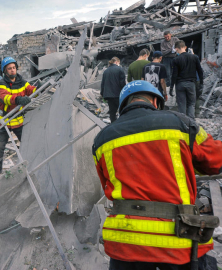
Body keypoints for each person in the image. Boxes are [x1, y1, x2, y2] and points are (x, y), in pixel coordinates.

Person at [92, 80, 222, 270]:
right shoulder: (180, 123)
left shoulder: (102, 139)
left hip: (124, 241)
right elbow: (214, 161)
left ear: (124, 106)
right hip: (177, 240)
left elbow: (106, 184)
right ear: (155, 102)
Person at [0, 57, 36, 179]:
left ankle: (31, 166)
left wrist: (38, 88)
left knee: (27, 143)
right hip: (3, 121)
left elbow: (30, 89)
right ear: (5, 71)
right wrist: (18, 99)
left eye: (14, 68)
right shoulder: (2, 84)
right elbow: (3, 98)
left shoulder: (22, 81)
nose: (12, 70)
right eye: (9, 68)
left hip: (18, 119)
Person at [171, 40, 204, 119]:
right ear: (184, 47)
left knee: (181, 104)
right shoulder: (194, 57)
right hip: (191, 83)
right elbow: (200, 71)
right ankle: (191, 123)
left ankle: (183, 123)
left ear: (176, 49)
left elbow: (174, 75)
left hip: (180, 84)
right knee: (191, 104)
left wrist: (171, 87)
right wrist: (201, 83)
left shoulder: (175, 60)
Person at [100, 57, 126, 122]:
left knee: (112, 112)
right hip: (118, 94)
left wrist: (102, 94)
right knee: (122, 111)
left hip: (109, 95)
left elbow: (103, 84)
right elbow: (122, 83)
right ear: (117, 62)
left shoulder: (106, 71)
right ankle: (121, 124)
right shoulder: (120, 69)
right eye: (119, 63)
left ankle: (113, 124)